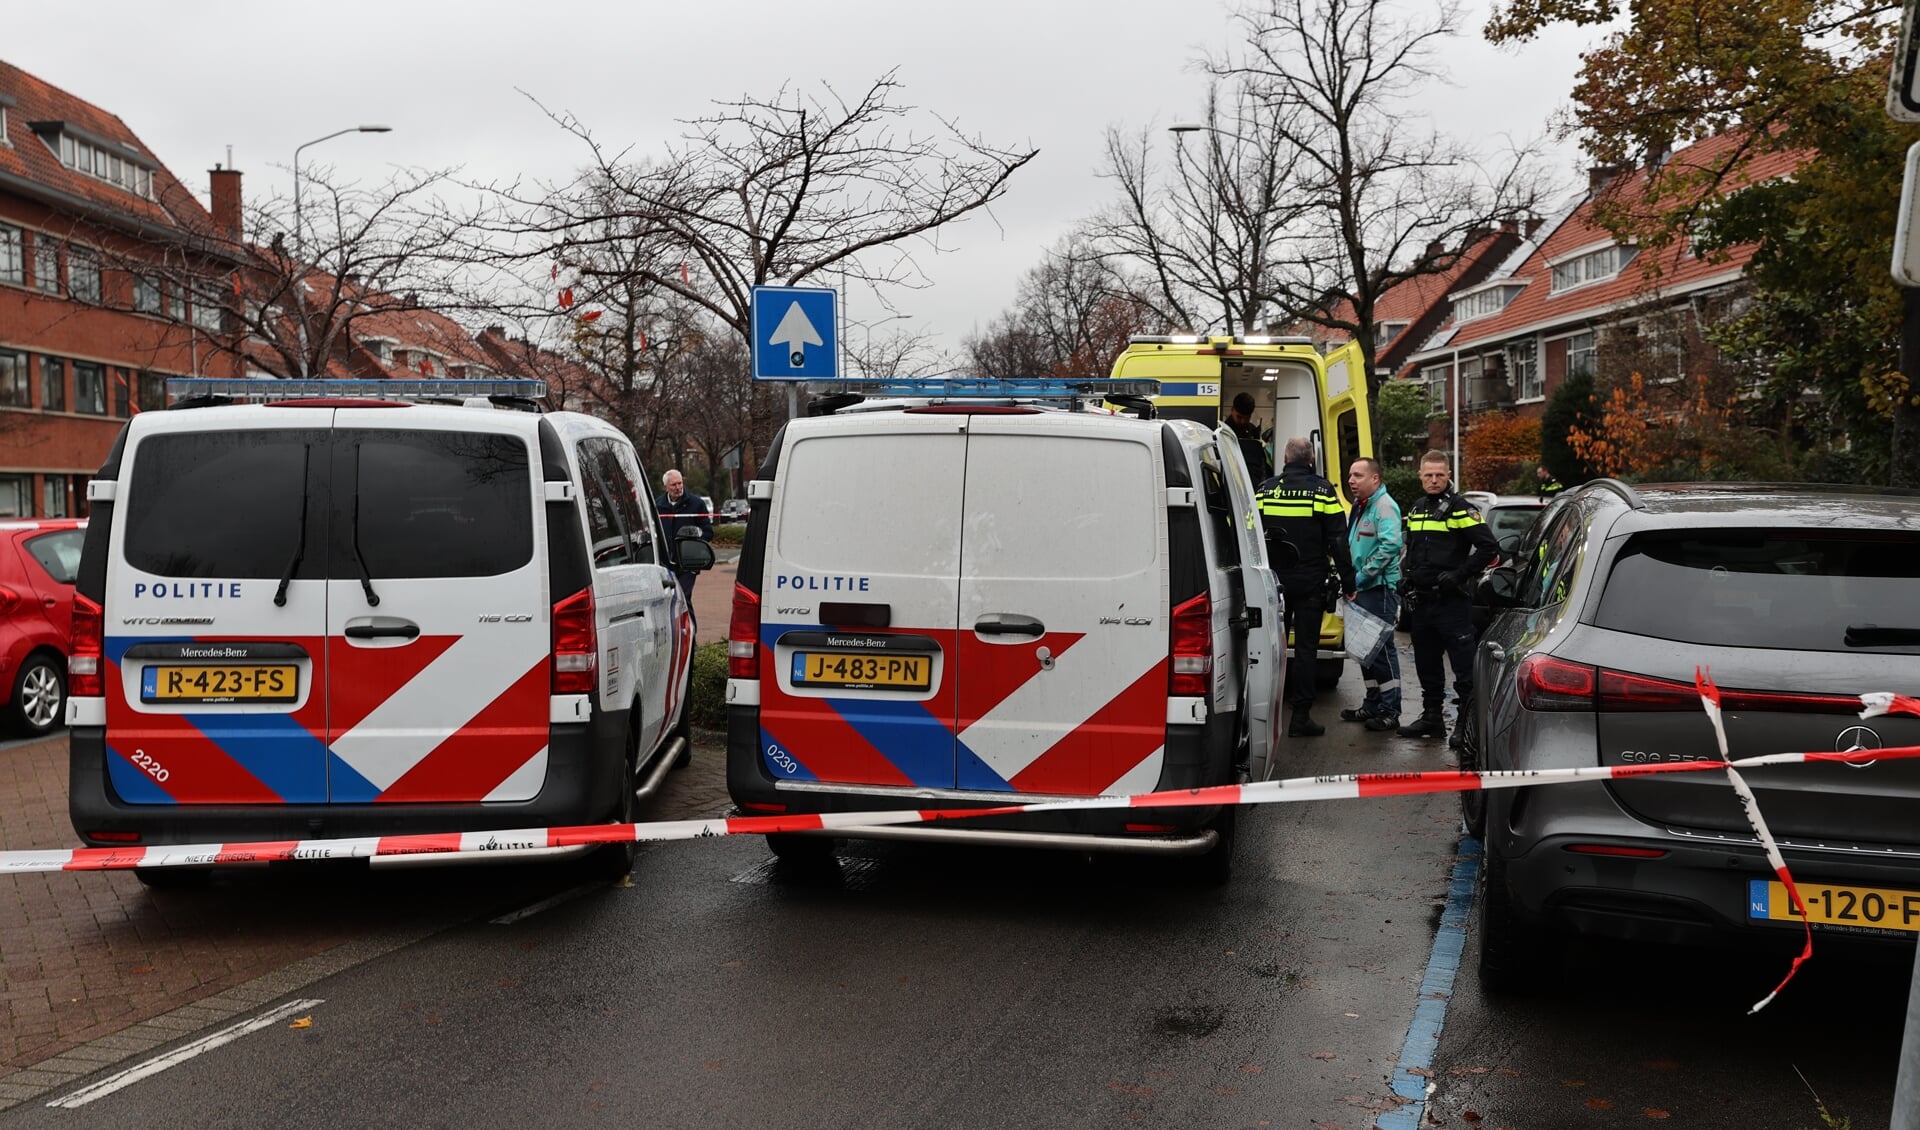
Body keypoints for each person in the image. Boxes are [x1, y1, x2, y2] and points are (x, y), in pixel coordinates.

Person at [1257, 437, 1355, 737]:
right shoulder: (1323, 491)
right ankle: (1300, 718)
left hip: (1273, 586)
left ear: (1285, 457)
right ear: (1311, 458)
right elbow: (1338, 540)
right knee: (1305, 651)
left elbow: (1250, 533)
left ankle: (1266, 716)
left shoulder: (1264, 489)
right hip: (1311, 584)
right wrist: (1348, 582)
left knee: (1272, 650)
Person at [1398, 451, 1498, 744]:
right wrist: (1407, 577)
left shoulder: (1461, 509)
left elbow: (1488, 547)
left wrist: (1460, 574)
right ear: (1420, 475)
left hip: (1451, 602)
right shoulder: (1417, 509)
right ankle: (1432, 718)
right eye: (1428, 475)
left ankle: (1465, 726)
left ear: (1448, 475)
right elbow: (1413, 552)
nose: (1433, 480)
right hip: (1422, 602)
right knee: (1426, 665)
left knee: (1463, 669)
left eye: (1439, 475)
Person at [1342, 457, 1403, 732]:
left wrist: (1363, 575)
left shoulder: (1384, 506)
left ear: (1374, 479)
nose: (1351, 480)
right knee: (1365, 650)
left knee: (1381, 651)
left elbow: (1390, 546)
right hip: (1363, 588)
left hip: (1378, 589)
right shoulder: (1361, 505)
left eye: (1358, 475)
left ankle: (1390, 710)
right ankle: (1373, 704)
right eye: (1350, 475)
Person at [655, 469, 713, 619]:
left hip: (688, 564)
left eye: (680, 483)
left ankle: (691, 636)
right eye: (674, 484)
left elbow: (708, 532)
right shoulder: (658, 506)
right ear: (666, 487)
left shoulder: (696, 504)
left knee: (683, 599)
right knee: (668, 601)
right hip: (666, 563)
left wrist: (694, 546)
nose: (678, 487)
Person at [1225, 392, 1273, 481]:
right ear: (1232, 410)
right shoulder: (1224, 432)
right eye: (1239, 417)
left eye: (1246, 418)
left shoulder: (1253, 430)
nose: (1243, 421)